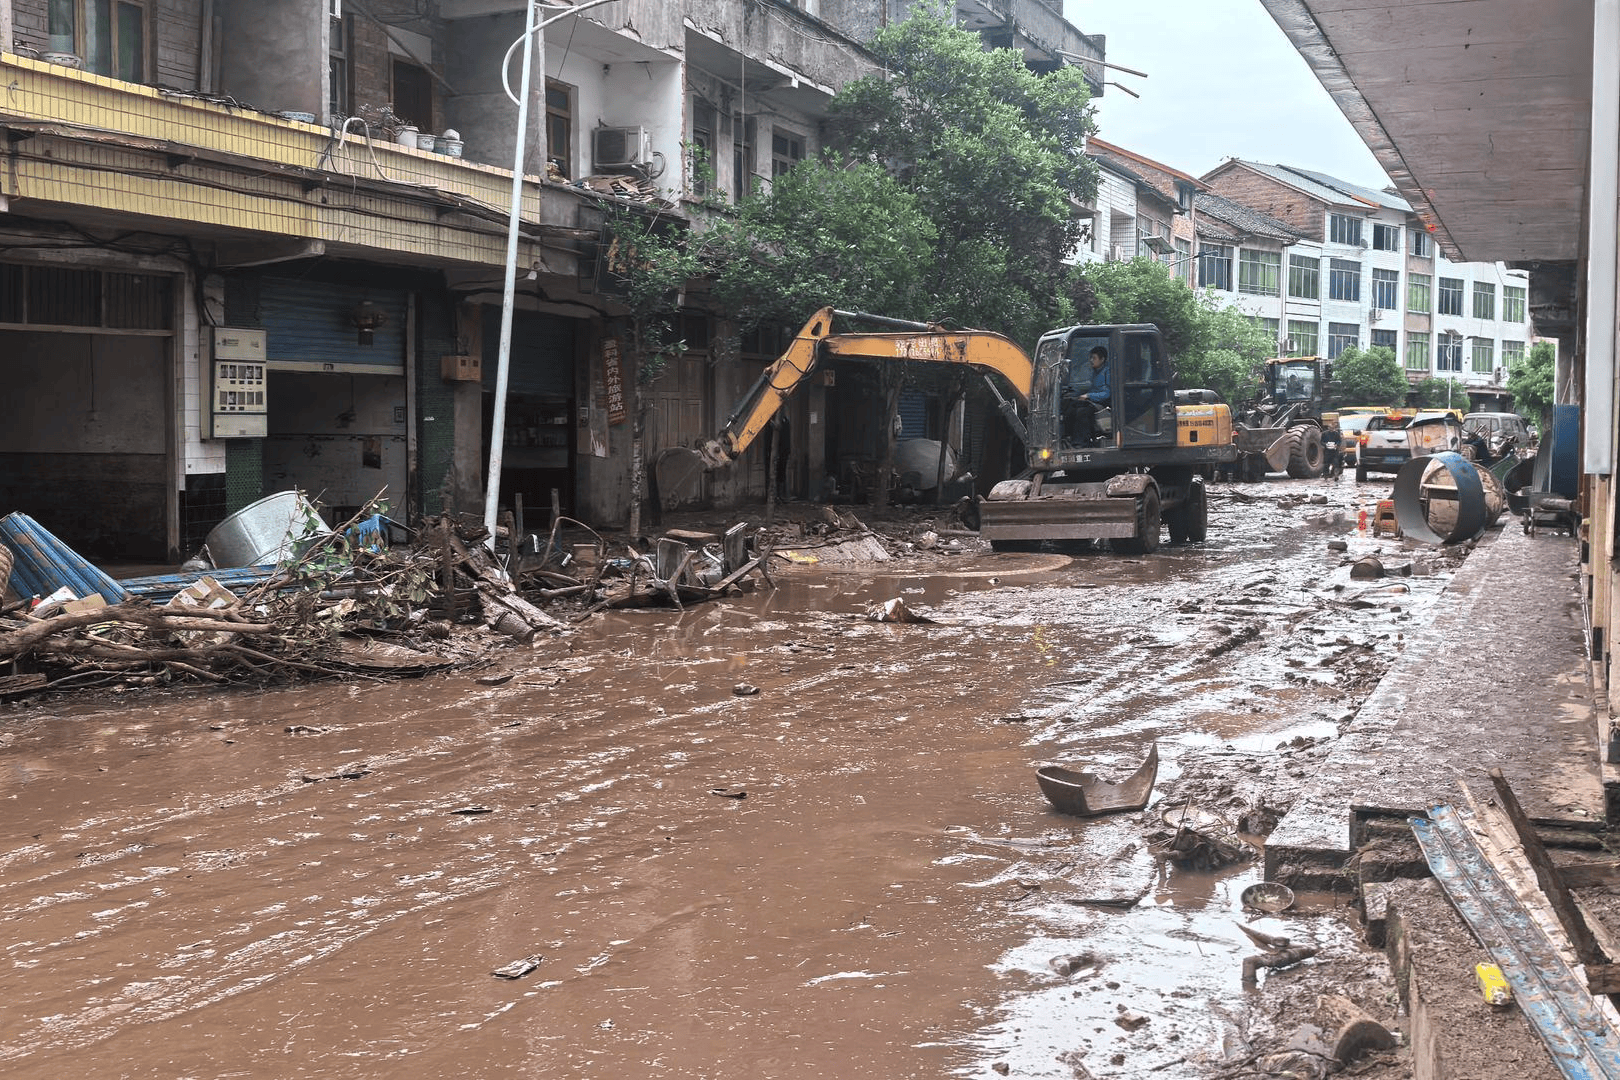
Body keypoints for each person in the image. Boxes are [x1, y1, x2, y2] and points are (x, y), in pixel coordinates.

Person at [1062, 345, 1112, 445]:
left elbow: (1107, 393)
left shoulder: (1108, 372)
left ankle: (1080, 442)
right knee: (1070, 404)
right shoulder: (1096, 372)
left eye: (1094, 358)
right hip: (1093, 401)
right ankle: (1067, 437)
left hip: (1104, 404)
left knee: (1082, 412)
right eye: (1090, 358)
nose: (1091, 360)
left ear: (1102, 359)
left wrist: (1088, 396)